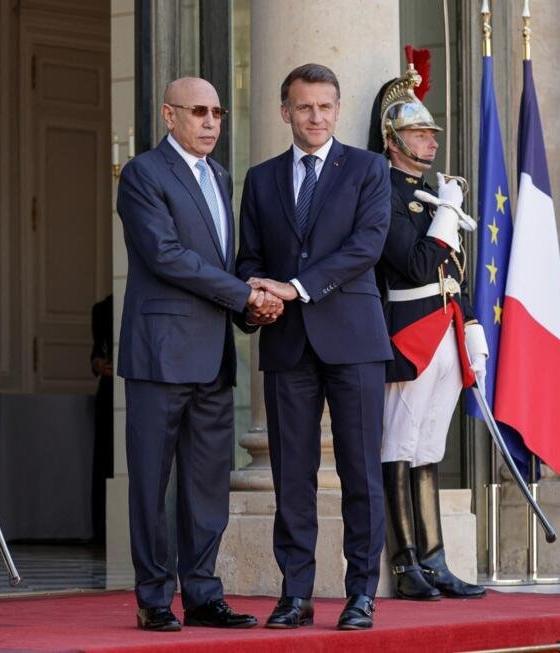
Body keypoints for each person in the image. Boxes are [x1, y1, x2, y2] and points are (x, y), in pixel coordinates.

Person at [116, 76, 280, 632]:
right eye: (198, 111)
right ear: (169, 115)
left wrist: (249, 307)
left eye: (217, 112)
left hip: (213, 355)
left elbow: (220, 261)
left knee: (207, 484)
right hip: (159, 355)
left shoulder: (220, 177)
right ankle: (154, 597)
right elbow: (166, 255)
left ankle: (205, 593)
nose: (211, 122)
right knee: (151, 481)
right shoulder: (143, 174)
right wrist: (243, 294)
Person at [237, 63, 392, 631]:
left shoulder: (369, 170)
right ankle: (295, 594)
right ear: (286, 112)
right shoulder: (260, 179)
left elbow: (366, 248)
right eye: (305, 107)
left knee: (360, 474)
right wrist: (258, 295)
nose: (317, 117)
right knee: (292, 477)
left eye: (326, 106)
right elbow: (249, 259)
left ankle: (360, 595)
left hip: (353, 339)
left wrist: (295, 288)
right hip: (286, 344)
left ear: (336, 108)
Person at [366, 51, 486, 600]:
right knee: (400, 441)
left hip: (444, 326)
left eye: (432, 133)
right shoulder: (384, 191)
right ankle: (405, 562)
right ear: (393, 140)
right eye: (418, 133)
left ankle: (435, 559)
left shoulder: (435, 191)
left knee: (430, 446)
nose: (431, 141)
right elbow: (412, 264)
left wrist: (472, 325)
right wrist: (444, 213)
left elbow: (453, 270)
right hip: (408, 328)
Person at [89, 294, 113, 546]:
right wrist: (98, 364)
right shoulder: (103, 308)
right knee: (102, 460)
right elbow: (96, 352)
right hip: (107, 392)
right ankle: (99, 532)